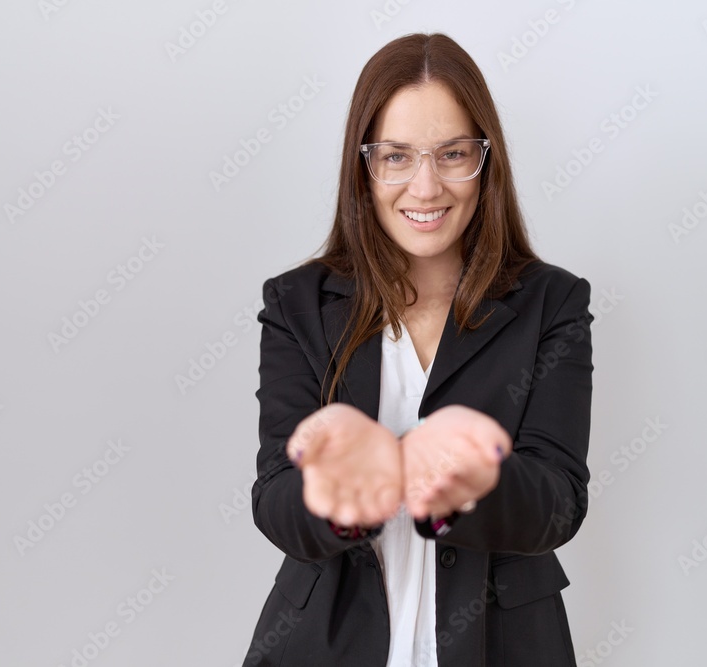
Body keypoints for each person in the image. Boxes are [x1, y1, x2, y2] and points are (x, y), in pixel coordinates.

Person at [243, 32, 594, 666]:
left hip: (502, 647)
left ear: (485, 161)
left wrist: (481, 481)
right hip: (324, 644)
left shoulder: (553, 303)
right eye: (397, 156)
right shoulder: (296, 304)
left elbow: (559, 504)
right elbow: (275, 501)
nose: (426, 187)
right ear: (364, 165)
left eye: (453, 153)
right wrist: (340, 490)